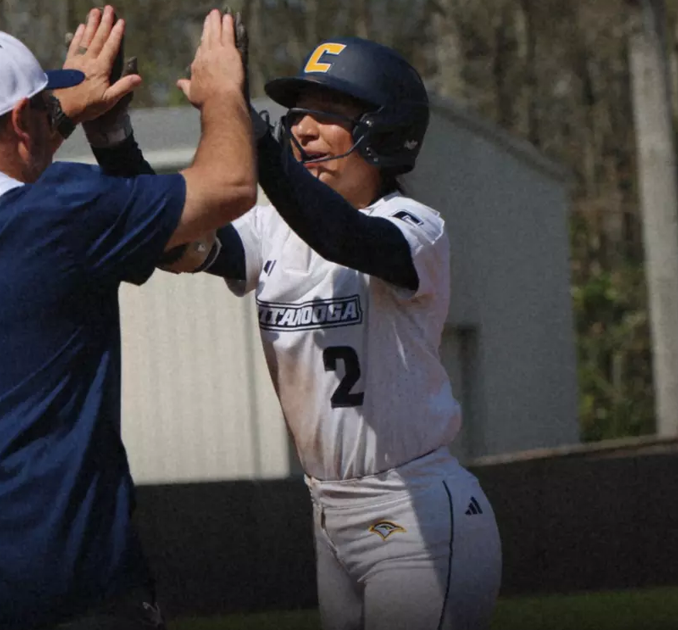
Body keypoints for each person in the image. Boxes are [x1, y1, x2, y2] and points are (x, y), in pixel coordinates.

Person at [0, 7, 255, 630]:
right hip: (68, 598)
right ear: (19, 119)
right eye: (41, 109)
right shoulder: (59, 212)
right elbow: (230, 185)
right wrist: (222, 90)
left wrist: (52, 115)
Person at [187, 37, 501, 629]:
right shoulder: (273, 229)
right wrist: (113, 140)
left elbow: (344, 238)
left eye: (329, 112)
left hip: (416, 512)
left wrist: (250, 127)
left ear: (384, 131)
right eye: (297, 113)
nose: (303, 128)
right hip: (330, 515)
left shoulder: (416, 226)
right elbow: (177, 239)